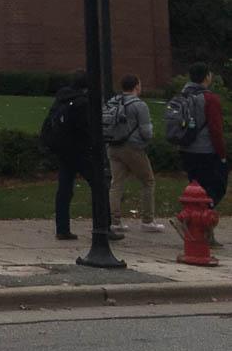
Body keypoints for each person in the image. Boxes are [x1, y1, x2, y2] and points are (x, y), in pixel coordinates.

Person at [49, 70, 122, 242]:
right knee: (100, 187)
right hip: (82, 151)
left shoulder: (62, 99)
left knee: (64, 189)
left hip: (64, 150)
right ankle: (103, 226)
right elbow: (87, 129)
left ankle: (62, 228)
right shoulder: (83, 103)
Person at [106, 74, 162, 233]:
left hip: (112, 146)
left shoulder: (112, 102)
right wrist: (149, 137)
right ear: (136, 86)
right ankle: (147, 220)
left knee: (116, 184)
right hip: (132, 147)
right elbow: (145, 131)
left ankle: (115, 221)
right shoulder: (139, 105)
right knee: (148, 181)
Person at [177, 61, 226, 215]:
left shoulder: (182, 96)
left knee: (194, 189)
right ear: (206, 77)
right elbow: (215, 129)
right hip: (206, 151)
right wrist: (222, 153)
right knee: (216, 188)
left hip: (186, 149)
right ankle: (199, 221)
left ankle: (193, 217)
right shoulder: (209, 99)